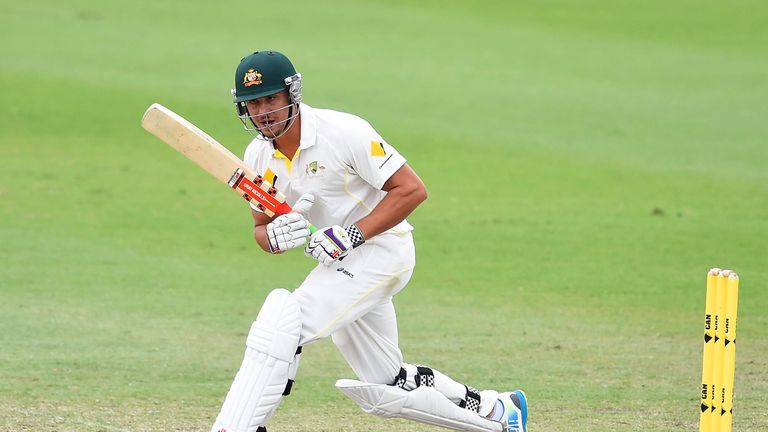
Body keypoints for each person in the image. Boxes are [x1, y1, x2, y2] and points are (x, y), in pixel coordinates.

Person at [210, 50, 528, 432]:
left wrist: (352, 234)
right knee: (386, 382)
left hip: (382, 252)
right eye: (253, 103)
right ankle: (498, 411)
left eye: (271, 99)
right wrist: (275, 237)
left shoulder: (343, 132)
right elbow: (261, 229)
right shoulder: (257, 155)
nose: (263, 112)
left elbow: (411, 190)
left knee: (284, 321)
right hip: (338, 265)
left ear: (292, 94)